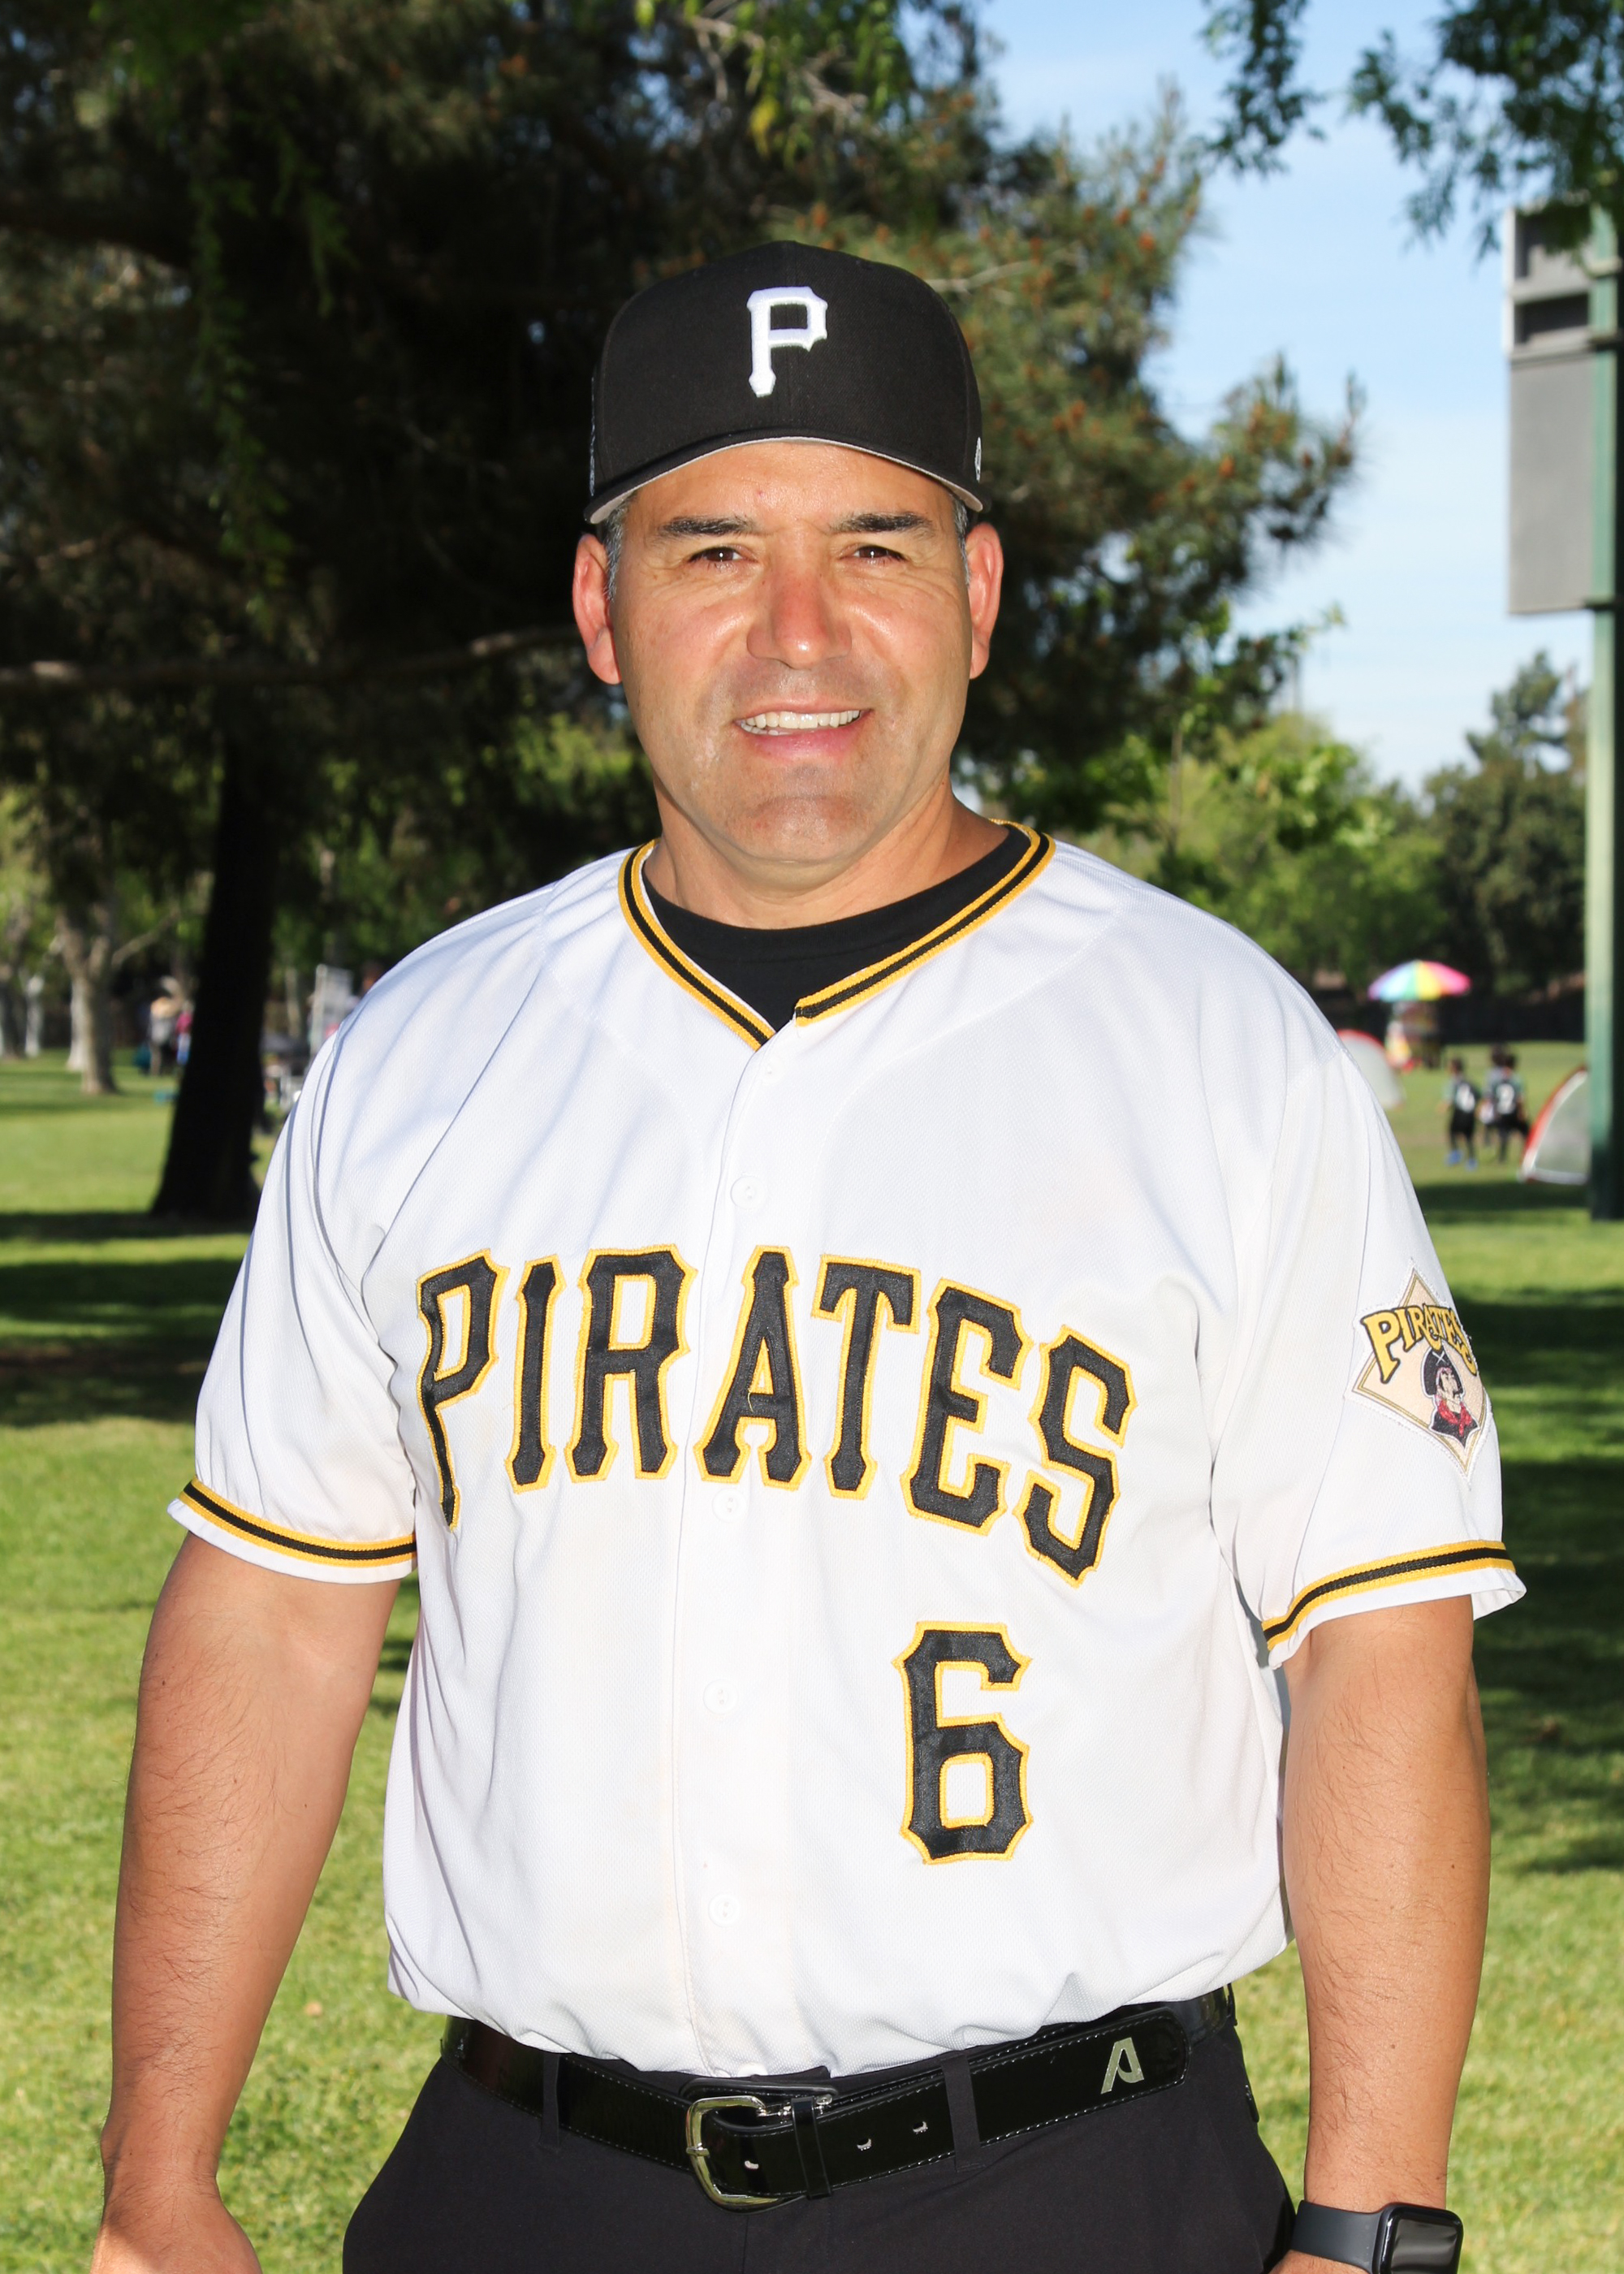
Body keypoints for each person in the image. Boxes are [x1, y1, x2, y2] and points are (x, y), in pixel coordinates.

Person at [93, 245, 1519, 2274]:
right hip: (522, 2185)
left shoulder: (1218, 1049)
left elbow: (1380, 1643)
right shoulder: (423, 1048)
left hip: (1068, 2187)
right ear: (601, 608)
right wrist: (158, 2176)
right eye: (710, 550)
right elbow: (270, 1612)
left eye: (872, 543)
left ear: (977, 594)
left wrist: (1369, 2225)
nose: (796, 630)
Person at [1485, 1050, 1528, 1165]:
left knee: (1503, 1135)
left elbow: (1491, 1097)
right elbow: (1520, 1098)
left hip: (1501, 1111)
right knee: (1526, 1133)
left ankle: (1502, 1158)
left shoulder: (1496, 1079)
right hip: (1514, 1111)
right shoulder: (1517, 1079)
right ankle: (1526, 1155)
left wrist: (1494, 1111)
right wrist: (1522, 1111)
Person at [1441, 1057, 1479, 1169]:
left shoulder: (1454, 1082)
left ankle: (1456, 1154)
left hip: (1459, 1112)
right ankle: (1472, 1159)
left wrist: (1443, 1107)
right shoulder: (1469, 1081)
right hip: (1470, 1112)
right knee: (1469, 1137)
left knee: (1452, 1132)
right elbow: (1478, 1095)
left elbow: (1450, 1099)